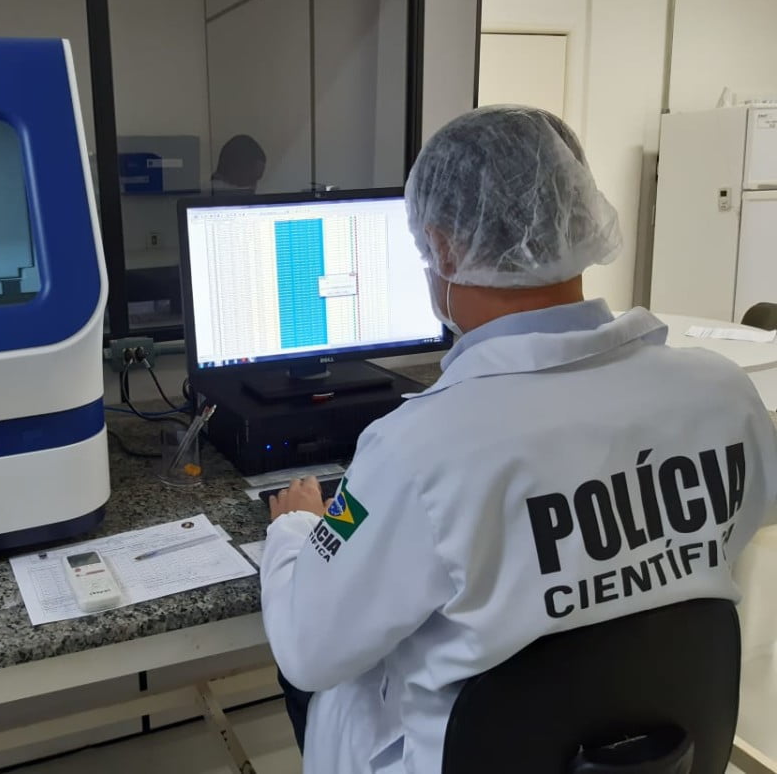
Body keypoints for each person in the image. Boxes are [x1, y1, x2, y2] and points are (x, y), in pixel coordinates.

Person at [260, 105, 777, 774]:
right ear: (578, 216)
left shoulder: (415, 448)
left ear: (443, 247)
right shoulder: (722, 393)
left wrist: (298, 528)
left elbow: (307, 649)